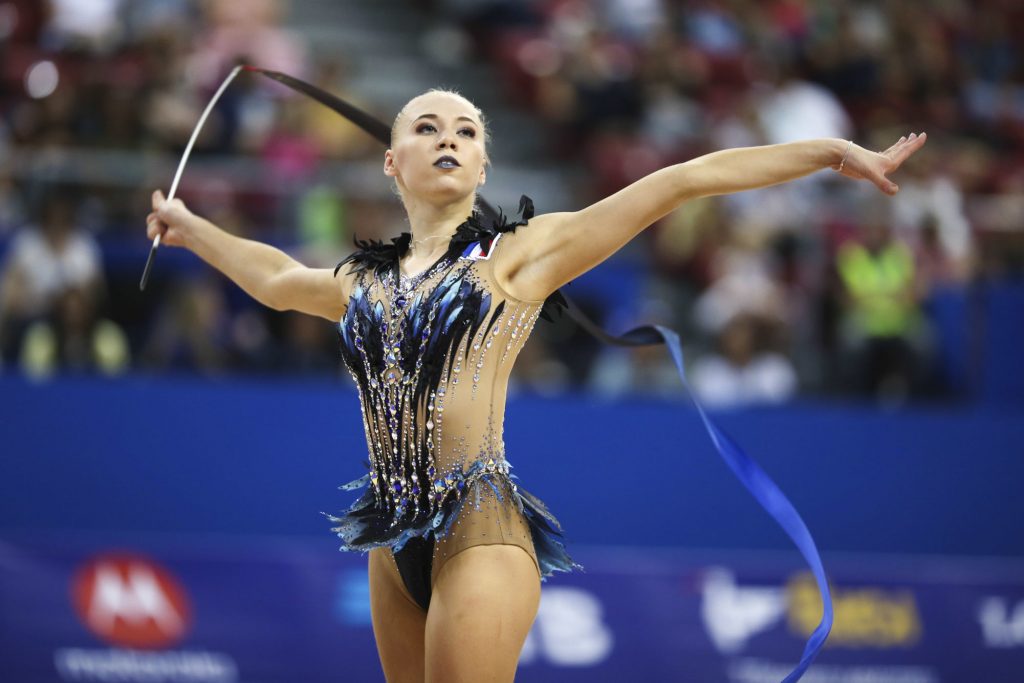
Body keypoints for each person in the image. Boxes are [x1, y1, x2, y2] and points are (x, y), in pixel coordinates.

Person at [146, 88, 926, 682]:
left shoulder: (520, 255)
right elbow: (280, 277)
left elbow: (678, 182)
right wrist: (190, 227)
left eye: (466, 132)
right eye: (426, 128)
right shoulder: (362, 283)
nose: (447, 138)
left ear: (484, 165)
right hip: (393, 538)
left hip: (480, 529)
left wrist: (829, 152)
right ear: (392, 163)